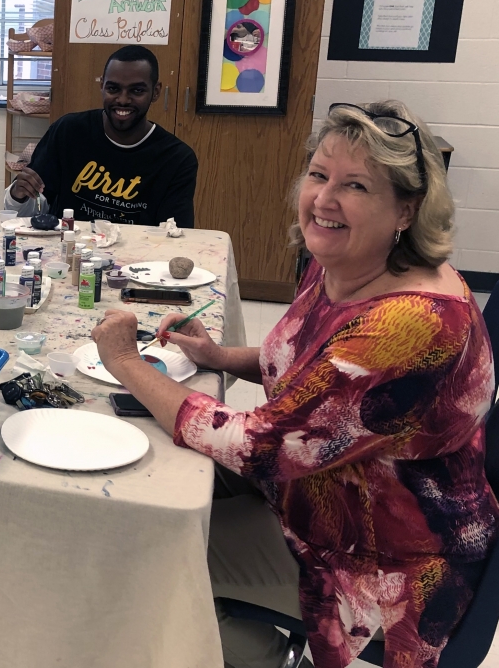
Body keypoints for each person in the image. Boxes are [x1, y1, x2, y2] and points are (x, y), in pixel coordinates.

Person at [90, 101, 497, 668]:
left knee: (150, 552)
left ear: (407, 209)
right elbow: (318, 373)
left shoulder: (411, 322)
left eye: (355, 185)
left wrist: (125, 364)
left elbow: (256, 447)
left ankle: (259, 657)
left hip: (380, 558)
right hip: (324, 492)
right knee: (146, 489)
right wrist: (218, 356)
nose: (324, 200)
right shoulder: (349, 262)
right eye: (318, 175)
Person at [4, 45, 198, 227]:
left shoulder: (177, 159)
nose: (122, 99)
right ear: (102, 86)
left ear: (155, 92)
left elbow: (176, 235)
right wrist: (17, 195)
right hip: (68, 254)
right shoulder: (68, 132)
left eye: (136, 90)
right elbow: (35, 211)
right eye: (113, 88)